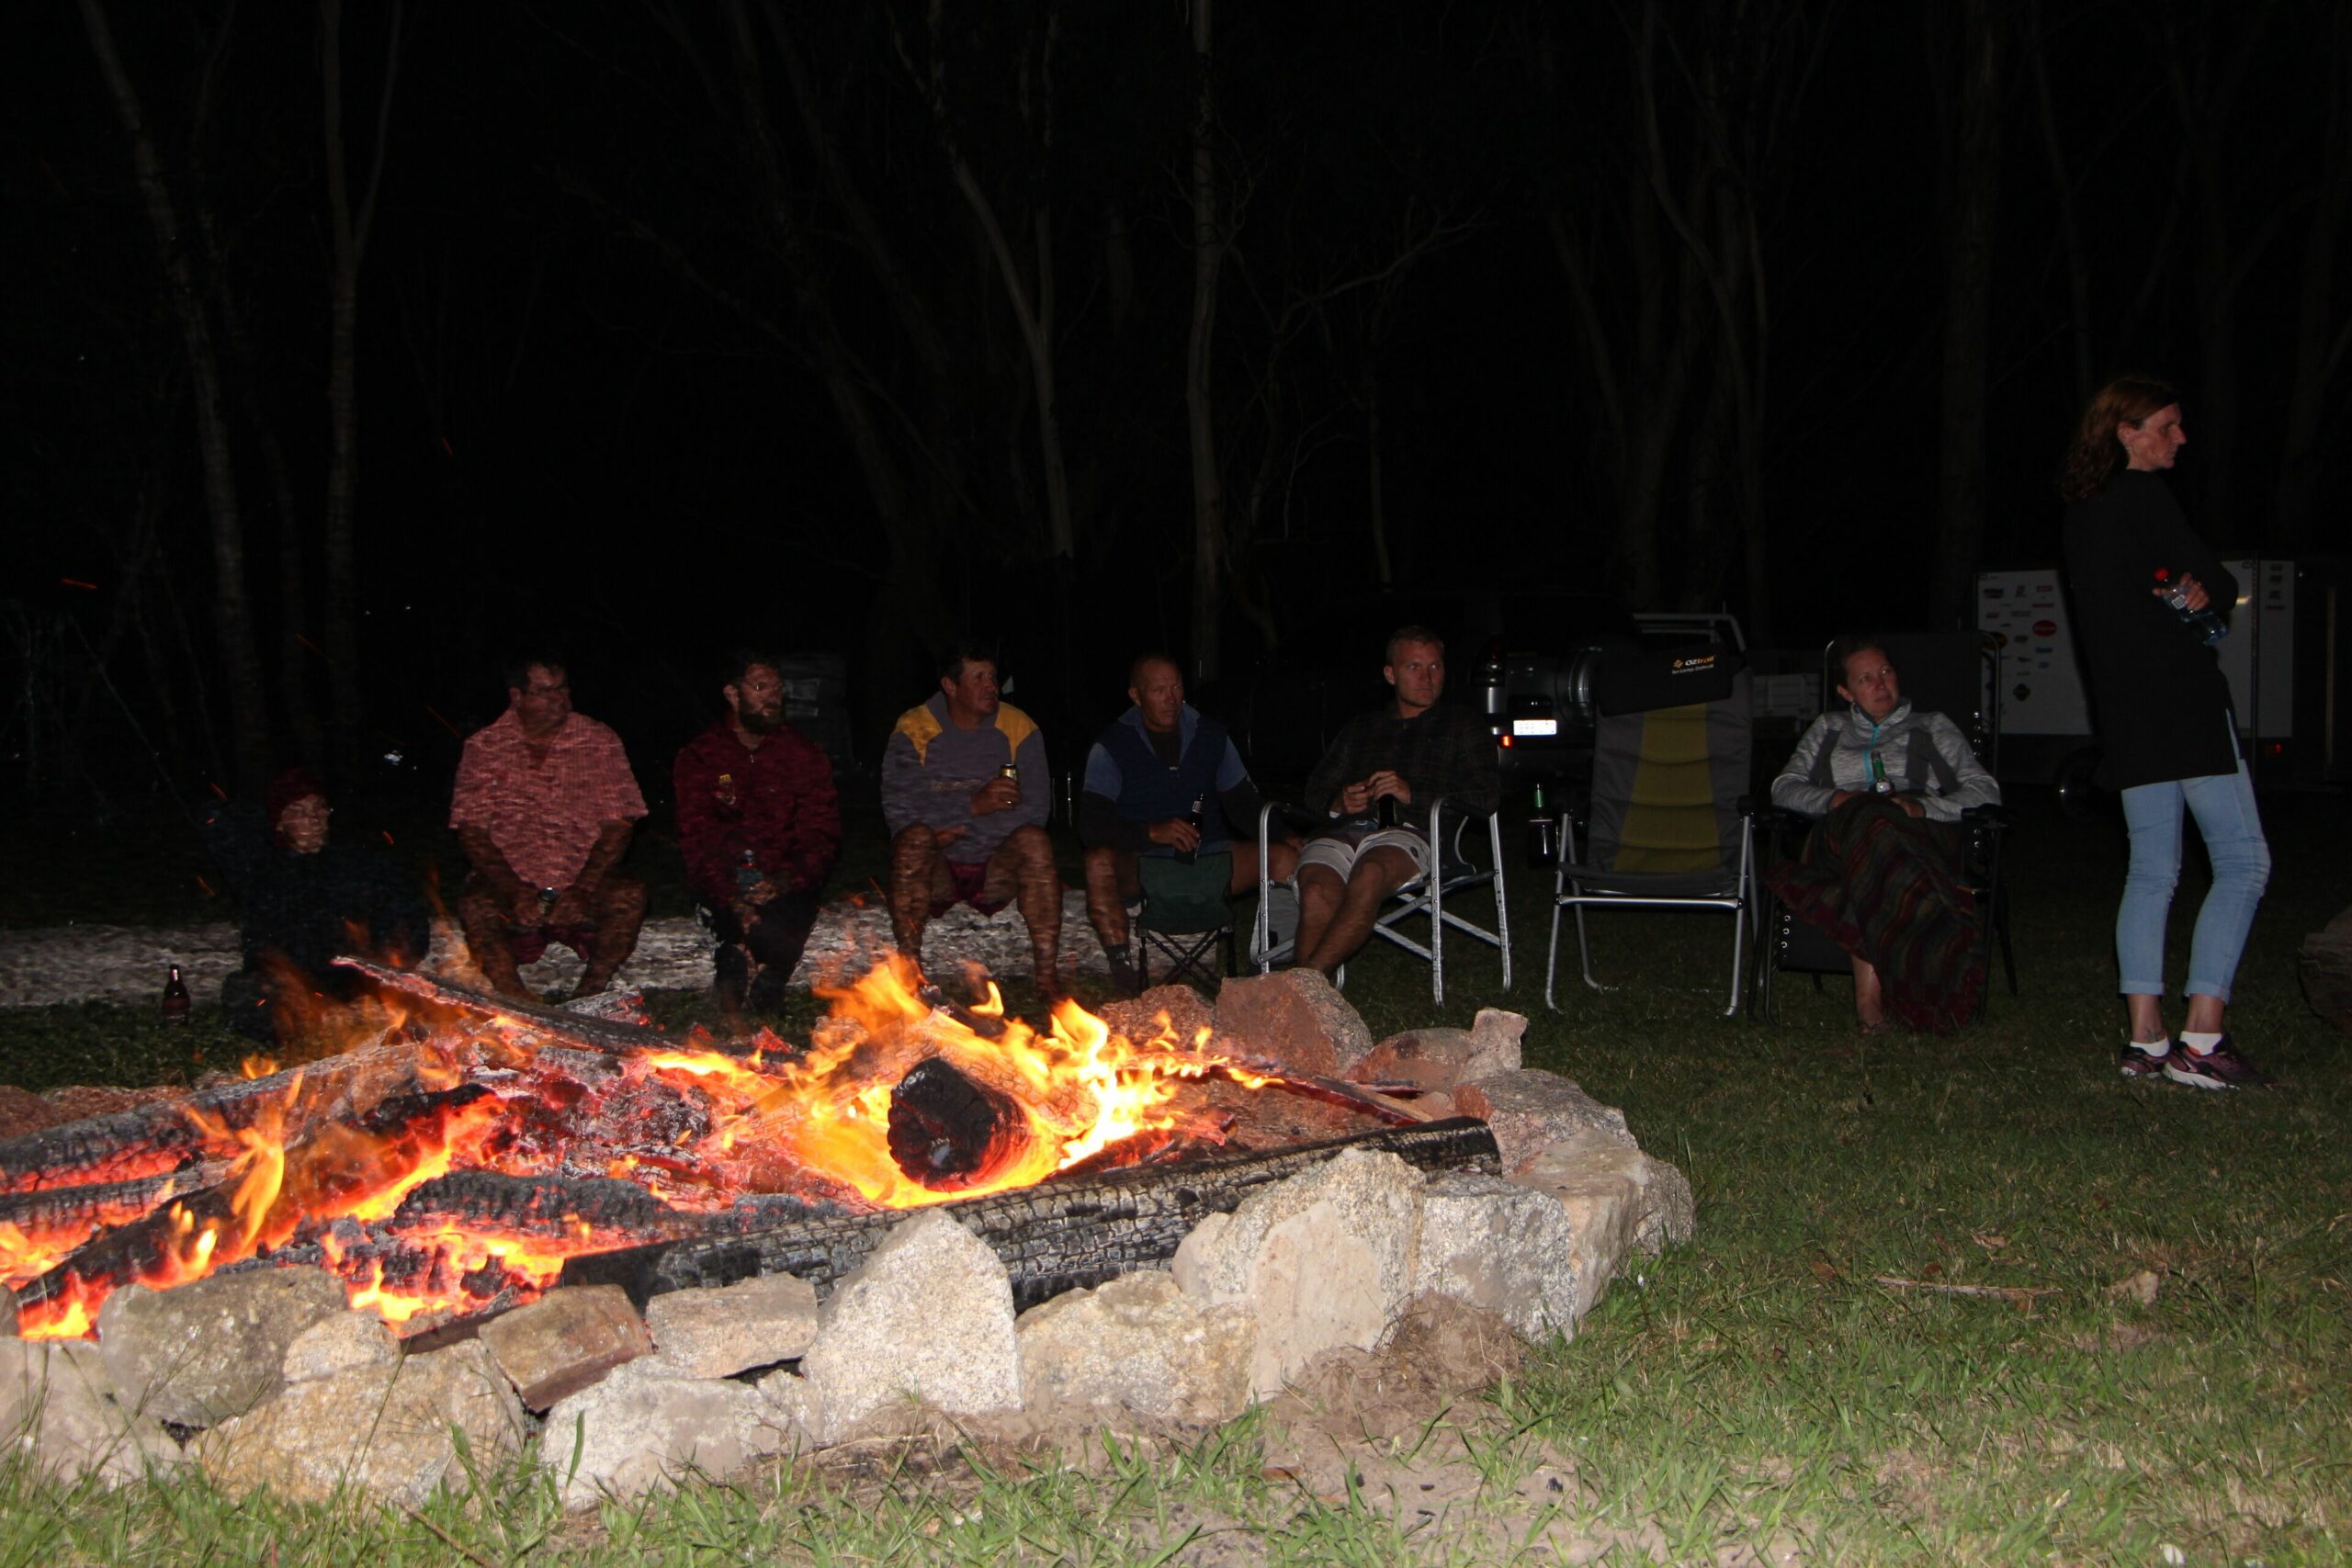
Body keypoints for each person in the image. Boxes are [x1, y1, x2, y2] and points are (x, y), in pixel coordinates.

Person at [2060, 375, 2271, 1089]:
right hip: (2182, 705)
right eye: (2169, 425)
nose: (2181, 438)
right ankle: (2203, 1037)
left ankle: (2145, 1039)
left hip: (2125, 713)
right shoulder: (2144, 495)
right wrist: (2204, 589)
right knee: (2243, 862)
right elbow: (2210, 579)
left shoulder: (2082, 514)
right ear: (2128, 431)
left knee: (2152, 869)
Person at [1765, 637, 2002, 1033]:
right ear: (1846, 692)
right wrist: (1835, 799)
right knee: (1870, 823)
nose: (1880, 684)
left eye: (1886, 673)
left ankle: (1870, 1005)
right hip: (1841, 829)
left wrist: (1923, 807)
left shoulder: (1931, 725)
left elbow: (1984, 790)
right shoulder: (1828, 728)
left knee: (1879, 841)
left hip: (1914, 830)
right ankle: (1919, 984)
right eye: (1865, 678)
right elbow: (1784, 787)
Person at [1078, 654, 1298, 991]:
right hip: (1143, 864)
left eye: (1177, 686)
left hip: (1208, 857)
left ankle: (1267, 966)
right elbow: (1091, 824)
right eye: (1158, 690)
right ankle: (1122, 967)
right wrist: (1151, 832)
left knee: (1283, 856)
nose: (1171, 698)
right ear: (1136, 696)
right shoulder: (1112, 745)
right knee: (1096, 861)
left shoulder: (1211, 736)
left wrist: (1285, 834)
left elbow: (1243, 805)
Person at [1291, 626, 1498, 976]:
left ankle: (1304, 986)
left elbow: (1487, 796)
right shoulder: (1362, 728)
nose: (1427, 678)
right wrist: (1338, 802)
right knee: (1314, 889)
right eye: (1414, 667)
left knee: (1371, 872)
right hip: (1348, 830)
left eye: (1435, 667)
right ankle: (1309, 997)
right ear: (1390, 674)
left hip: (1414, 831)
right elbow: (1314, 791)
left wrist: (1411, 794)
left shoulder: (1461, 725)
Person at [450, 652, 649, 1001]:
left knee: (629, 894)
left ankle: (589, 996)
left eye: (563, 689)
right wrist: (514, 889)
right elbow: (472, 830)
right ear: (517, 696)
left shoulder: (598, 740)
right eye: (547, 691)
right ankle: (517, 1001)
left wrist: (584, 887)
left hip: (582, 876)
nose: (561, 699)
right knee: (476, 904)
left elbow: (619, 824)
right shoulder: (484, 747)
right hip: (512, 879)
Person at [201, 768, 429, 1045]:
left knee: (416, 998)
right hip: (294, 985)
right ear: (280, 822)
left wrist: (386, 965)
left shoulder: (360, 865)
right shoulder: (262, 870)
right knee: (246, 994)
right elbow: (221, 826)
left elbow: (408, 917)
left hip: (356, 983)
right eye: (299, 811)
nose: (313, 819)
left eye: (319, 808)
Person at [881, 644, 1061, 990]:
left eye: (992, 677)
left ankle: (1048, 978)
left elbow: (1037, 809)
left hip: (996, 863)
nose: (990, 686)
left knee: (1035, 842)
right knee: (913, 841)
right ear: (950, 686)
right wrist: (972, 806)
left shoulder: (1019, 727)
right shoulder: (914, 728)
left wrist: (964, 826)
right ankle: (909, 973)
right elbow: (900, 809)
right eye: (978, 678)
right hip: (937, 864)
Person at [673, 649, 842, 1015]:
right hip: (725, 880)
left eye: (777, 689)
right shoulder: (701, 756)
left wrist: (785, 878)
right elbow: (697, 838)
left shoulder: (802, 755)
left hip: (784, 878)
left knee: (785, 917)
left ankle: (765, 980)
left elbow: (820, 832)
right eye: (761, 687)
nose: (773, 698)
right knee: (726, 916)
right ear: (732, 694)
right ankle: (737, 968)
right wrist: (731, 894)